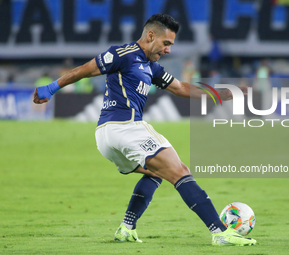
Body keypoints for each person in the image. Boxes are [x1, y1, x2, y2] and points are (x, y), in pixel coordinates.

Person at [33, 14, 255, 246]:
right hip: (125, 127)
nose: (168, 50)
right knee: (180, 170)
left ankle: (126, 228)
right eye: (166, 43)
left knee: (156, 173)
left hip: (107, 138)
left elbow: (180, 87)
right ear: (150, 36)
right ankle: (220, 231)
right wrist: (51, 87)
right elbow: (86, 70)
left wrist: (221, 93)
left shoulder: (152, 67)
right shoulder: (123, 54)